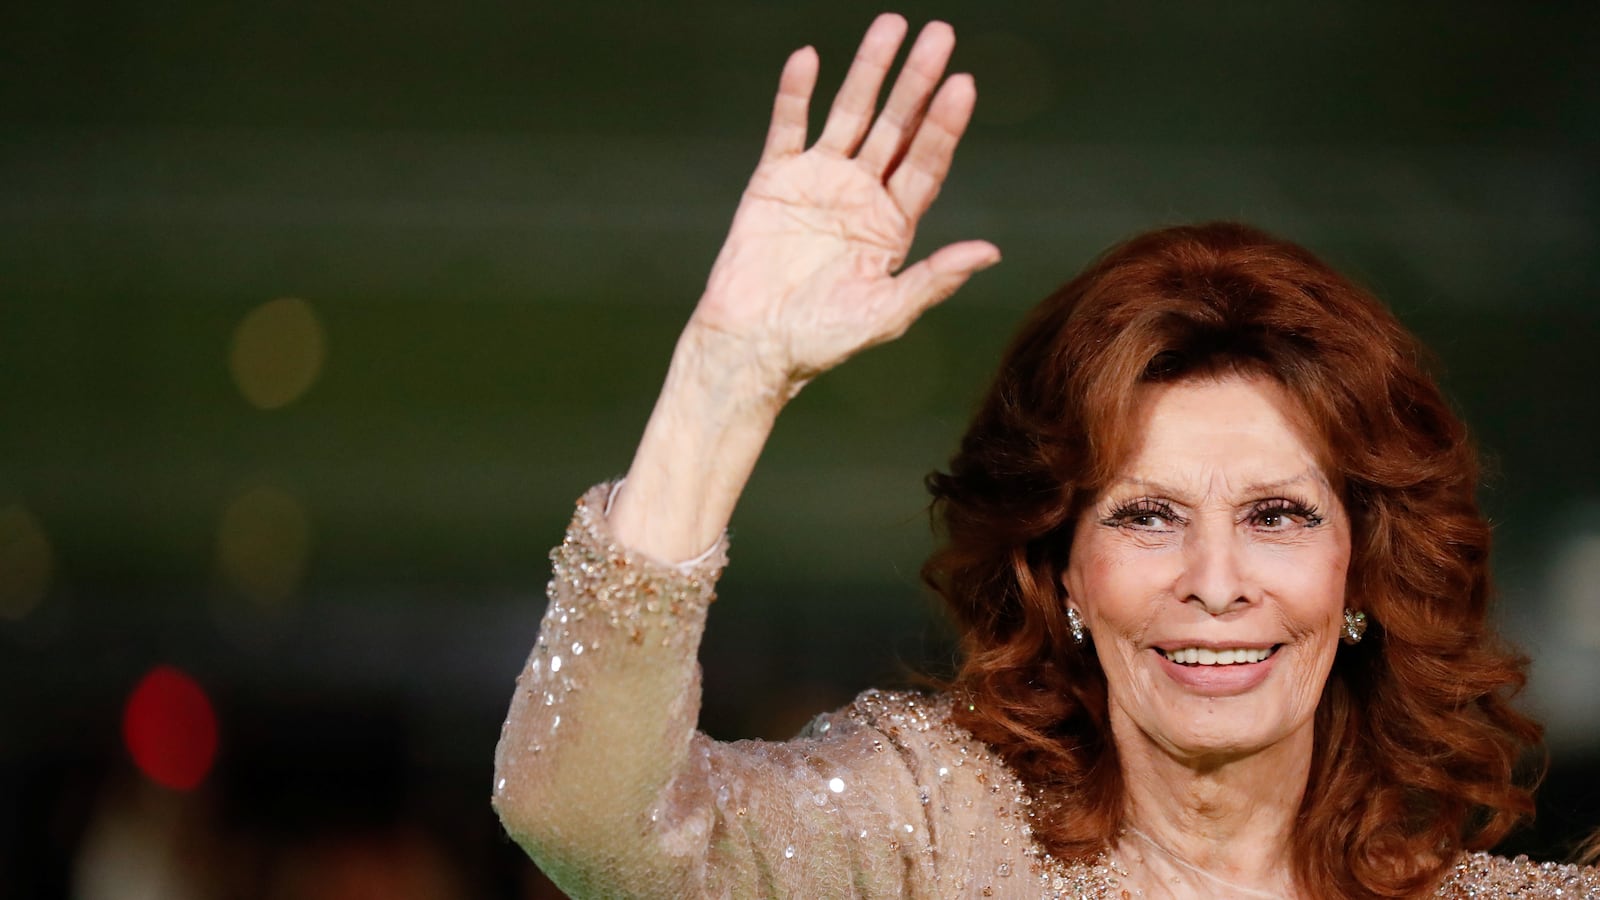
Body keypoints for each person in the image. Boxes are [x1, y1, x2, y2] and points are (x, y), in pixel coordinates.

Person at [491, 14, 1599, 898]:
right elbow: (585, 819)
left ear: (1361, 569)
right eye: (1145, 515)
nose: (1214, 584)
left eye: (1277, 515)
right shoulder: (923, 841)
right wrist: (724, 382)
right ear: (1061, 570)